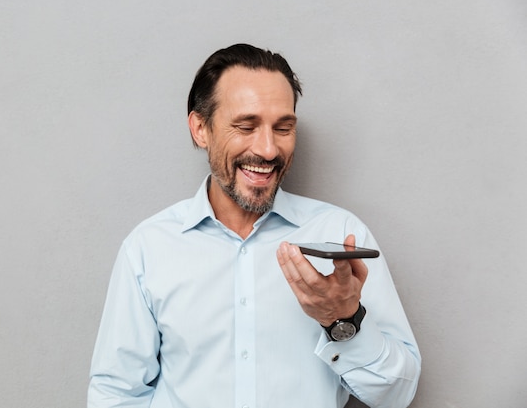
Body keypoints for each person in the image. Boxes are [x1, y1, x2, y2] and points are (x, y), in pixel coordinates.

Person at [88, 43, 421, 408]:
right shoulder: (148, 249)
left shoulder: (340, 236)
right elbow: (116, 395)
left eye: (283, 128)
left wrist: (344, 319)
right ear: (201, 129)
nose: (267, 150)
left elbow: (396, 395)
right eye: (246, 126)